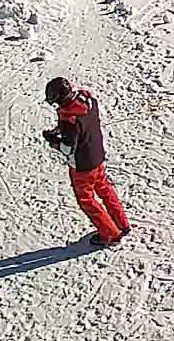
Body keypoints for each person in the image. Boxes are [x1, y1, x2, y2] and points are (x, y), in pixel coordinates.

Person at [41, 77, 129, 246]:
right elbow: (82, 125)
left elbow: (68, 148)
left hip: (83, 166)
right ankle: (122, 224)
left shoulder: (69, 120)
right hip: (97, 155)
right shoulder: (88, 100)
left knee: (87, 200)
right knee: (105, 189)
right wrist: (60, 130)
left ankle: (110, 234)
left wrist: (54, 142)